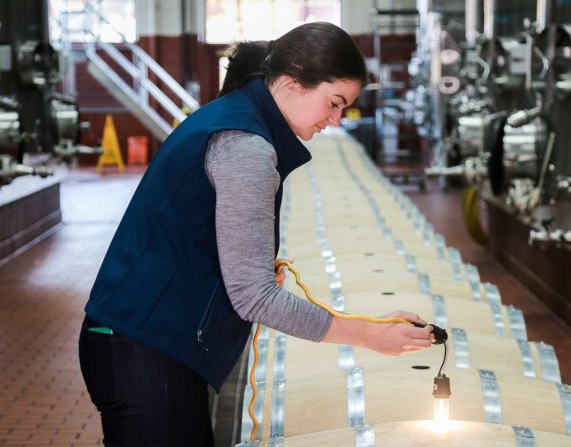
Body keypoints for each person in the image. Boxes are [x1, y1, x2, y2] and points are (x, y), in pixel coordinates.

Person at [78, 22, 434, 446]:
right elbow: (253, 296)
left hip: (148, 342)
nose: (335, 120)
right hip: (142, 349)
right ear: (292, 81)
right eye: (334, 103)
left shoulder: (238, 119)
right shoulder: (246, 147)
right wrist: (369, 335)